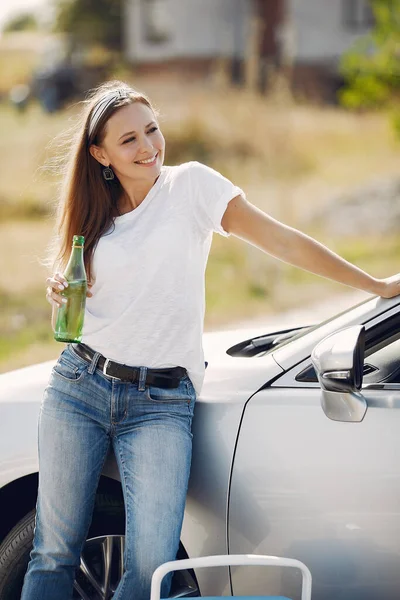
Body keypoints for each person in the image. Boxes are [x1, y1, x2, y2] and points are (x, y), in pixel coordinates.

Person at [21, 80, 400, 600]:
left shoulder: (192, 188)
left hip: (161, 403)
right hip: (79, 386)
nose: (148, 146)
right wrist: (60, 297)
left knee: (152, 565)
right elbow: (83, 316)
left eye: (152, 130)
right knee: (54, 552)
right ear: (100, 154)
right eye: (128, 139)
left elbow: (282, 239)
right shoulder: (93, 219)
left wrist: (375, 285)